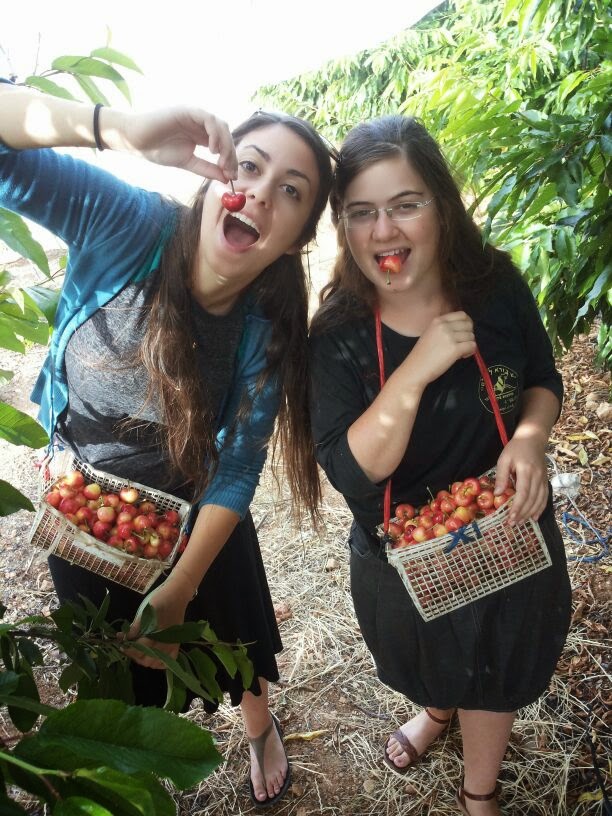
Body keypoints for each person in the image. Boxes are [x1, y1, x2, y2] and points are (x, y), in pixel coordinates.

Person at [0, 79, 333, 807]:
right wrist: (118, 128)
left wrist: (180, 585)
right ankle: (136, 768)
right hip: (88, 505)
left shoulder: (263, 327)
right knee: (115, 660)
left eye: (290, 191)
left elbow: (238, 465)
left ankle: (259, 725)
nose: (259, 193)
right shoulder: (128, 225)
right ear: (216, 178)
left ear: (299, 238)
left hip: (196, 506)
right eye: (249, 166)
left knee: (237, 639)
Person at [308, 115, 571, 816]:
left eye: (405, 205)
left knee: (496, 665)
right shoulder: (336, 337)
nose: (383, 232)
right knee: (434, 656)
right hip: (406, 557)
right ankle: (436, 708)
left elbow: (542, 378)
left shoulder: (494, 286)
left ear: (442, 207)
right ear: (343, 225)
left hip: (507, 532)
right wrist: (417, 367)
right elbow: (353, 473)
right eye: (361, 212)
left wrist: (529, 438)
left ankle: (478, 788)